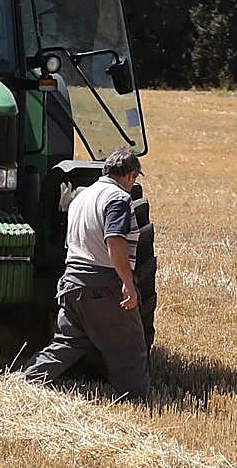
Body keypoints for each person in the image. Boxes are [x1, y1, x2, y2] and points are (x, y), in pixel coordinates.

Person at [21, 146, 151, 401]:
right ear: (130, 175)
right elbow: (114, 239)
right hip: (102, 284)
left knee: (69, 342)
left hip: (72, 282)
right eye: (134, 177)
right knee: (129, 349)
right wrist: (127, 282)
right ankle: (136, 402)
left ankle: (24, 381)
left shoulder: (81, 197)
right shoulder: (118, 198)